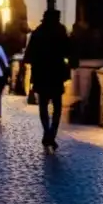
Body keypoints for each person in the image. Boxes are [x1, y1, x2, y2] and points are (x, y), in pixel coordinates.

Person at [23, 10, 74, 151]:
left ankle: (47, 132)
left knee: (43, 106)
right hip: (56, 73)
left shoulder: (38, 32)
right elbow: (68, 51)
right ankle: (52, 134)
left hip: (40, 73)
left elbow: (28, 56)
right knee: (57, 107)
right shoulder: (61, 31)